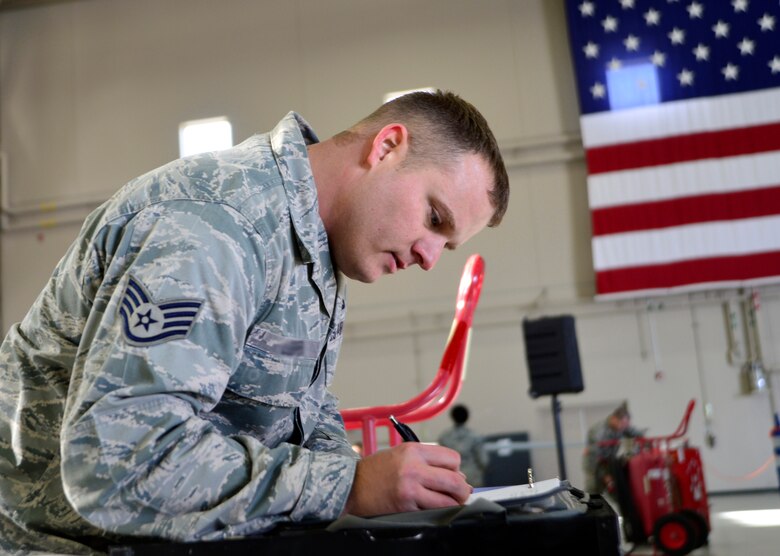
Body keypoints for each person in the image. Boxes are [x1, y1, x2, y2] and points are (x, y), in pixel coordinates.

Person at [0, 89, 509, 554]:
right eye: (434, 218)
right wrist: (348, 488)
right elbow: (120, 465)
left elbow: (300, 407)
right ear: (386, 147)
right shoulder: (213, 228)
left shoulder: (319, 250)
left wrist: (363, 476)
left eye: (448, 244)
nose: (429, 257)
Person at [582, 402, 645, 494]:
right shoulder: (599, 432)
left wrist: (643, 441)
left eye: (626, 425)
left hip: (609, 462)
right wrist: (605, 477)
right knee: (593, 494)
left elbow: (636, 433)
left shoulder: (621, 426)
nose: (624, 427)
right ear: (614, 419)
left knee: (621, 495)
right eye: (623, 424)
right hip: (594, 465)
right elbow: (593, 459)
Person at [437, 404, 488, 487]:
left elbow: (440, 460)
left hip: (452, 476)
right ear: (467, 417)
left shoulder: (444, 437)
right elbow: (483, 461)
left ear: (452, 417)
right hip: (473, 477)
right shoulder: (475, 436)